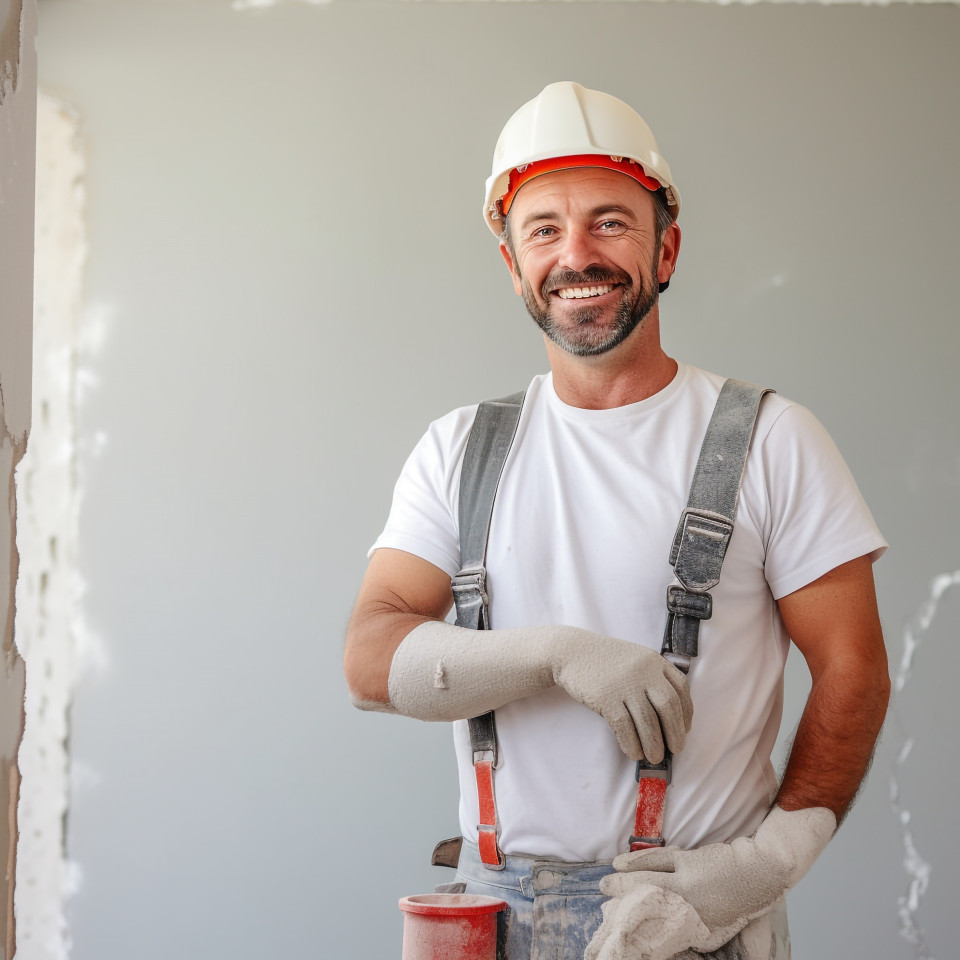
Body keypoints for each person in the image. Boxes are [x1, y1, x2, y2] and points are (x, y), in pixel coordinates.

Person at [343, 81, 890, 960]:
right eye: (544, 229)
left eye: (610, 221)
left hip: (695, 915)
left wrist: (767, 867)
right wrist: (555, 654)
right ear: (514, 262)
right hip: (492, 920)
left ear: (665, 248)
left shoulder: (772, 440)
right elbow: (370, 662)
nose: (576, 255)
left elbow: (854, 671)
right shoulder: (460, 449)